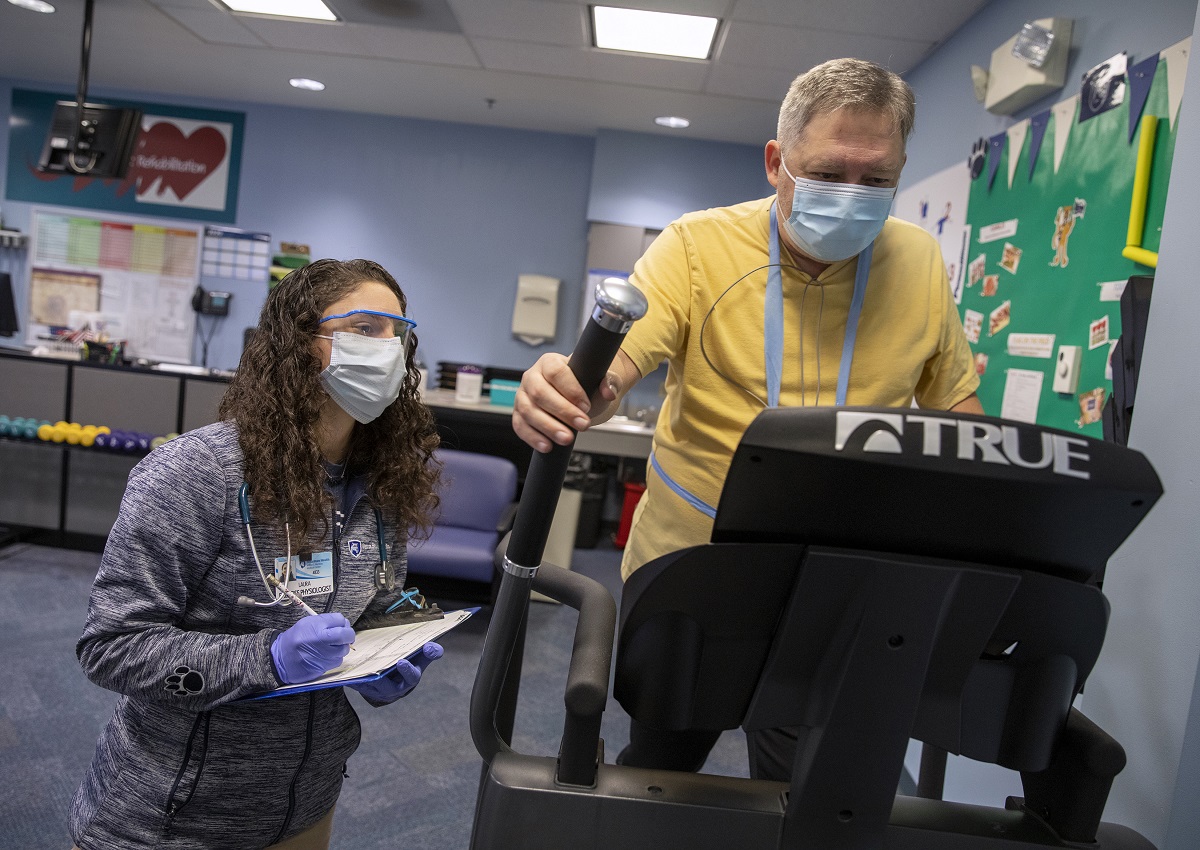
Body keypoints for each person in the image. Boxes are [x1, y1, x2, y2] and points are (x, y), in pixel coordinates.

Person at [512, 59, 983, 780]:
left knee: (815, 784)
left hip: (834, 572)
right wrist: (567, 390)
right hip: (693, 567)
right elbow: (611, 374)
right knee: (664, 766)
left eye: (876, 180)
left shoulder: (918, 260)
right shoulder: (696, 246)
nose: (852, 196)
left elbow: (957, 411)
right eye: (829, 173)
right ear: (776, 162)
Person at [70, 259, 445, 850]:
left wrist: (397, 635)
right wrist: (264, 659)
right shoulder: (194, 474)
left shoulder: (382, 479)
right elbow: (112, 646)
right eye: (366, 328)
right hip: (176, 815)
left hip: (306, 804)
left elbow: (373, 595)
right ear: (299, 342)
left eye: (399, 333)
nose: (389, 348)